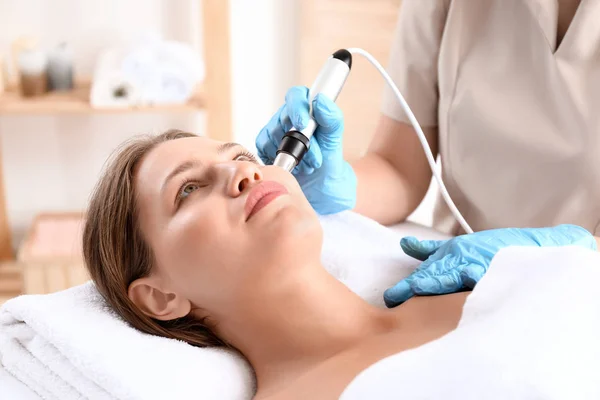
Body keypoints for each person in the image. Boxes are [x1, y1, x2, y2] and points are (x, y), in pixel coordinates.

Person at [83, 130, 596, 399]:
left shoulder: (489, 278)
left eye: (241, 155)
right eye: (188, 189)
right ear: (160, 296)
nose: (241, 173)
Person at [255, 0, 600, 306]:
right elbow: (399, 168)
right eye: (197, 186)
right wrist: (332, 182)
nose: (239, 177)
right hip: (453, 277)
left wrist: (561, 255)